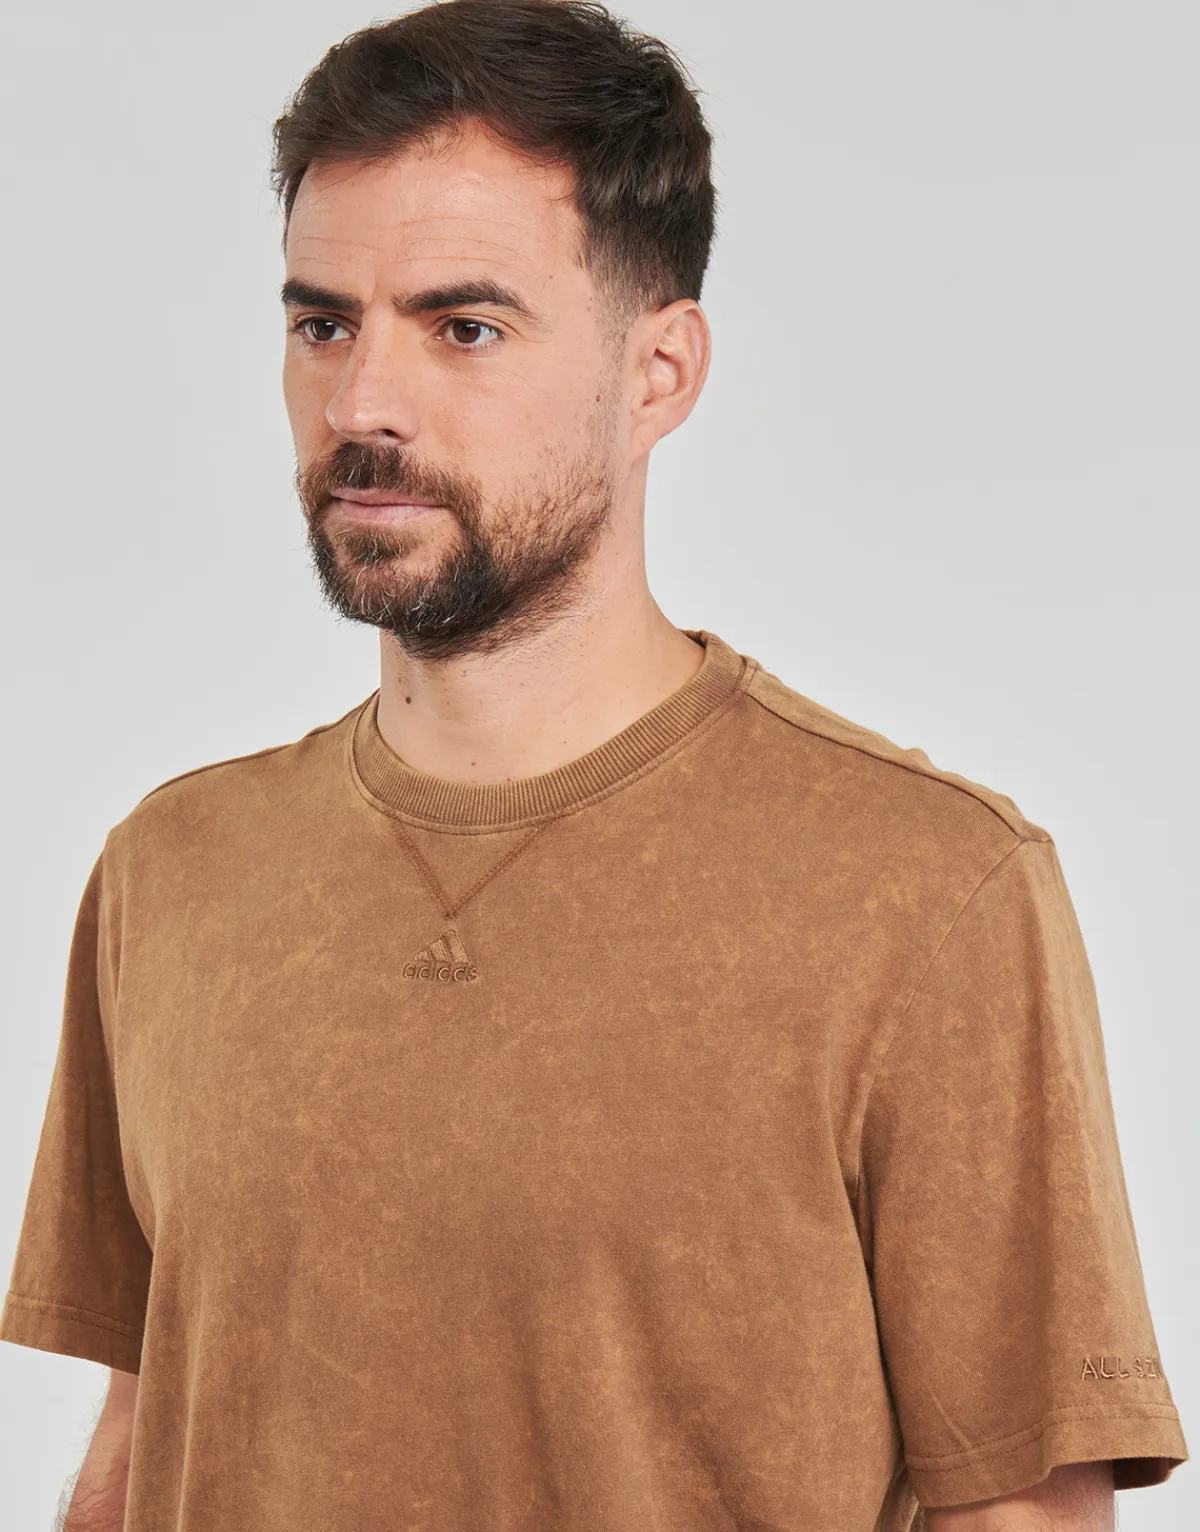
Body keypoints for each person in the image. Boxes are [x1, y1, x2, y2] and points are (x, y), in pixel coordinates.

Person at [0, 3, 1188, 1530]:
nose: (362, 404)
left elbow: (1022, 1510)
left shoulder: (927, 891)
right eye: (323, 324)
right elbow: (145, 1431)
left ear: (659, 373)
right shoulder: (171, 871)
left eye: (464, 328)